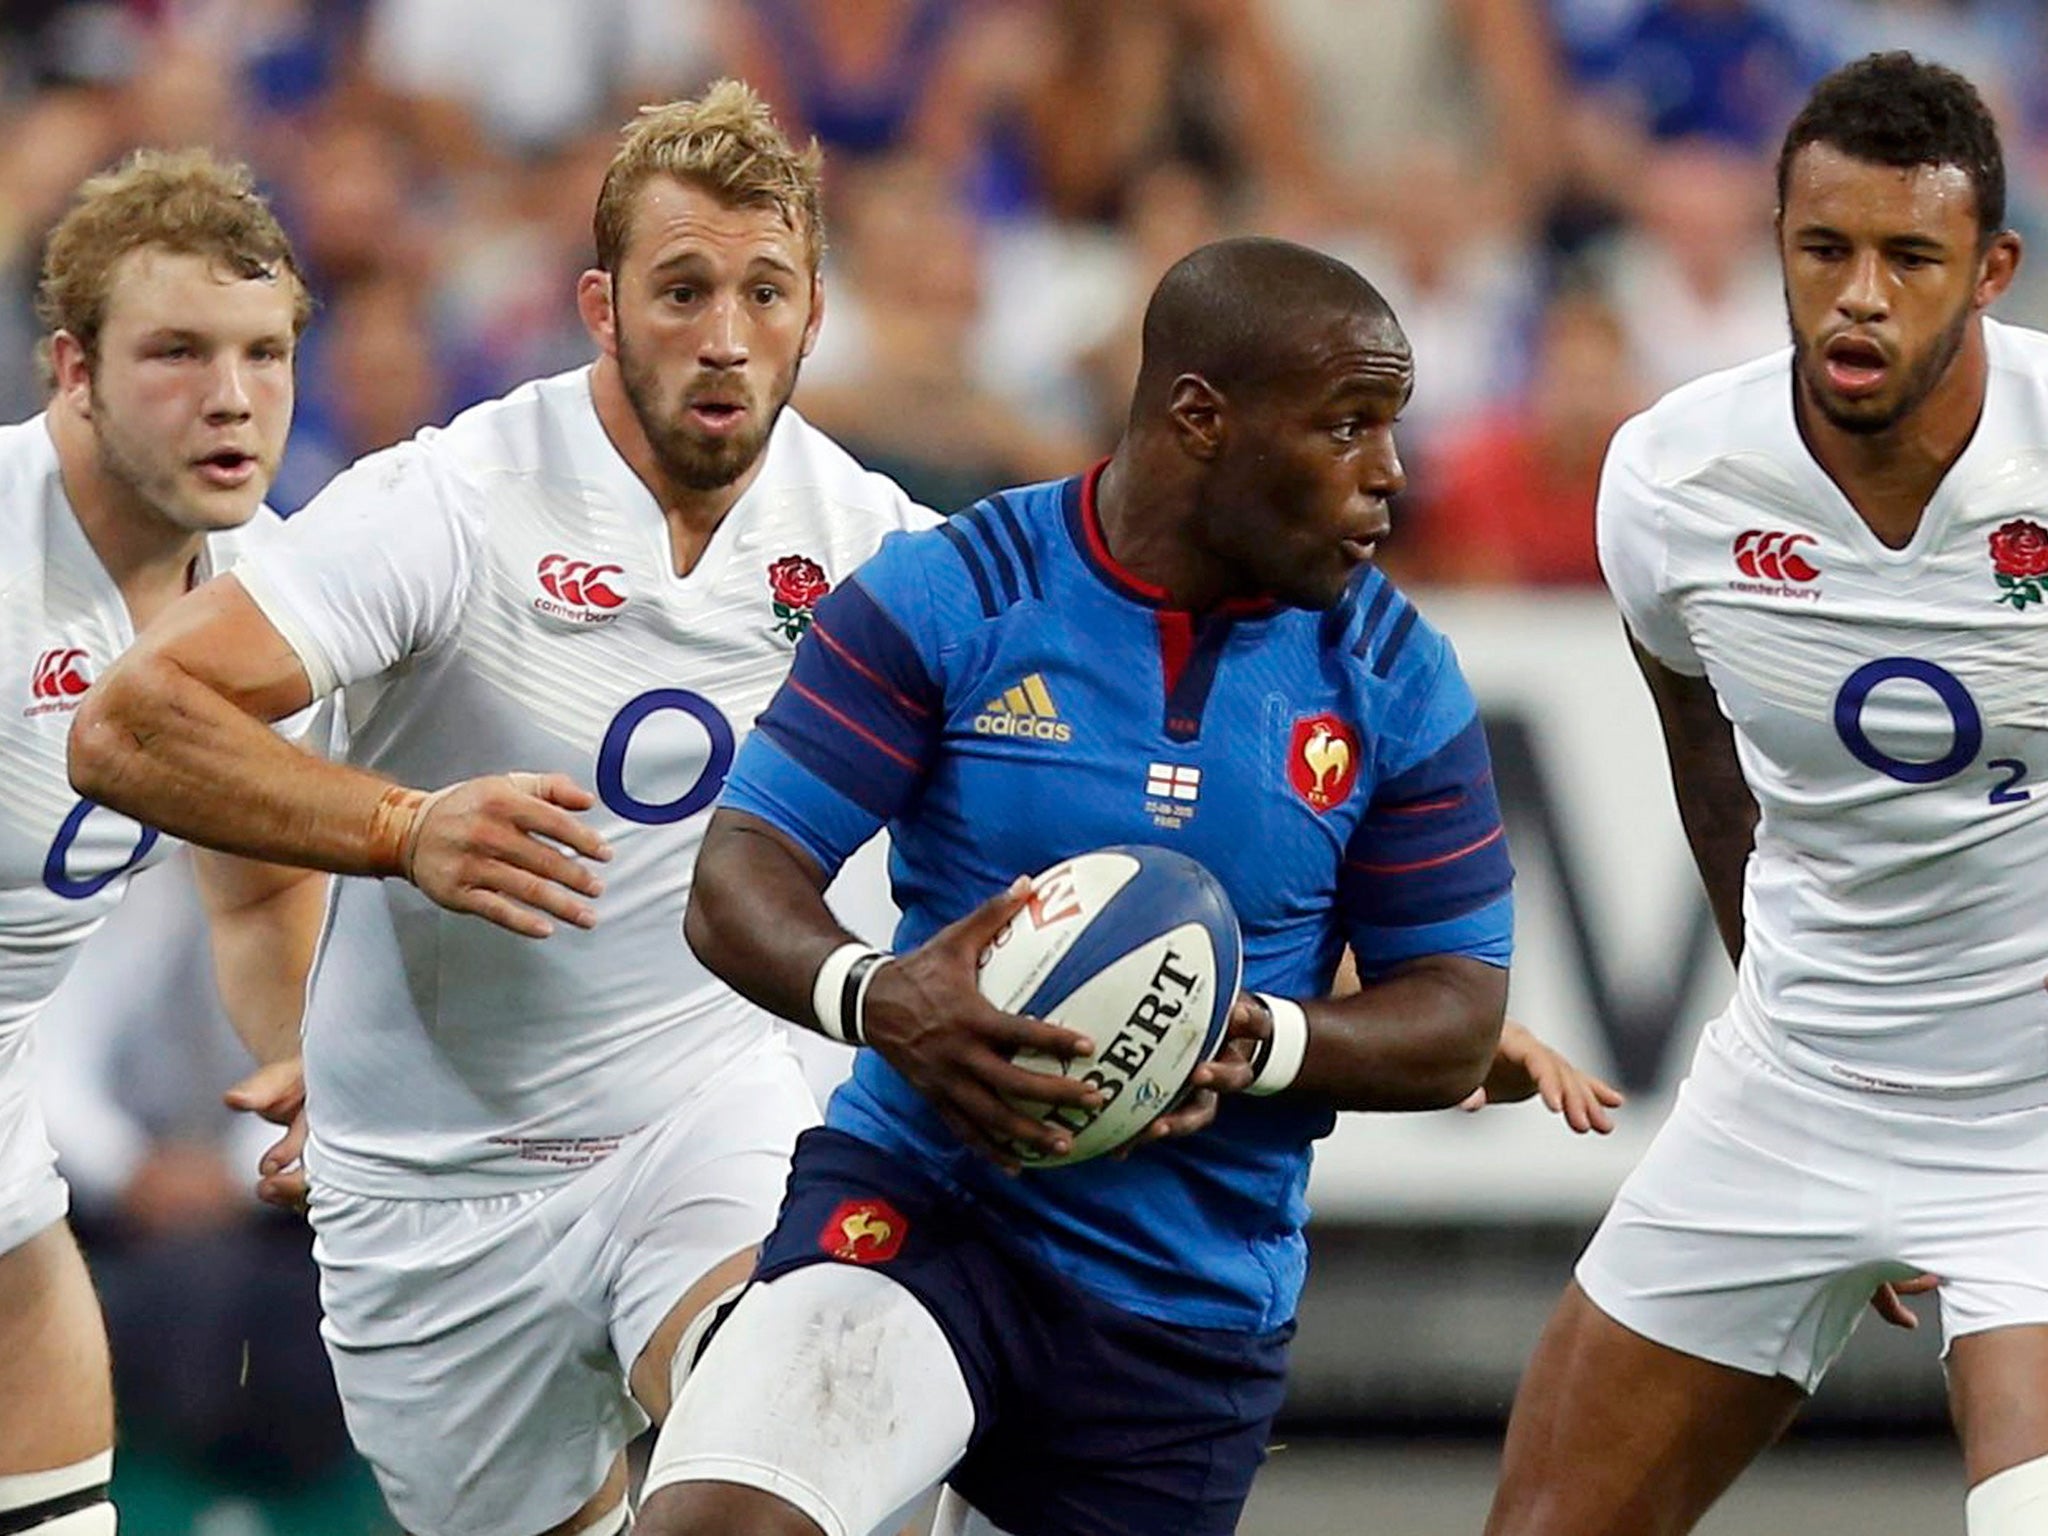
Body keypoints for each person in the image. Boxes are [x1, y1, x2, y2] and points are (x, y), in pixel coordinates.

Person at [66, 81, 938, 1536]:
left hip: (706, 1112)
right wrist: (404, 830)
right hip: (435, 1182)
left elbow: (1070, 747)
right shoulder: (453, 503)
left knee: (782, 1455)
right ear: (598, 306)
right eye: (682, 291)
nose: (725, 337)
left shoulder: (868, 538)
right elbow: (133, 722)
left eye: (764, 292)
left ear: (815, 310)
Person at [637, 235, 1609, 1536]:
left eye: (1396, 428)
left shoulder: (1393, 677)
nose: (1391, 475)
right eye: (1348, 428)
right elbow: (739, 874)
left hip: (1183, 1304)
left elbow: (1455, 1016)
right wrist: (880, 998)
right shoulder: (958, 595)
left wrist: (1251, 1041)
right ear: (1201, 418)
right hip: (929, 1206)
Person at [1485, 52, 2048, 1536]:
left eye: (1909, 257)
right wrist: (1799, 1052)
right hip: (1792, 1096)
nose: (1860, 294)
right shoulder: (1668, 482)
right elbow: (1712, 786)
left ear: (1991, 268)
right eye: (1825, 250)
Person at [0, 147, 327, 1536]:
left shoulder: (275, 589)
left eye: (266, 351)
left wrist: (300, 1059)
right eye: (177, 352)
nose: (232, 398)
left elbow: (257, 891)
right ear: (70, 368)